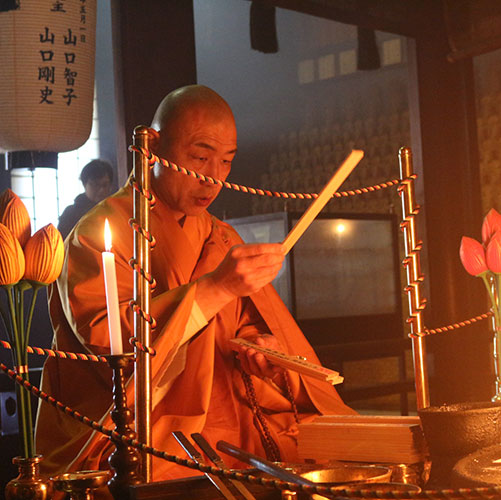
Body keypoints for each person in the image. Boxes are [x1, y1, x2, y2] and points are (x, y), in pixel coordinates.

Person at [36, 85, 355, 479]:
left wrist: (262, 347)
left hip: (228, 431)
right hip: (148, 437)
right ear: (152, 146)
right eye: (200, 157)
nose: (213, 178)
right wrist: (216, 288)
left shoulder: (220, 236)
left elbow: (242, 324)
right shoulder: (101, 232)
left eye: (226, 161)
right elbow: (110, 345)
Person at [57, 159, 114, 239]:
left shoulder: (115, 210)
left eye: (105, 185)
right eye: (95, 185)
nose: (101, 190)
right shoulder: (70, 214)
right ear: (84, 184)